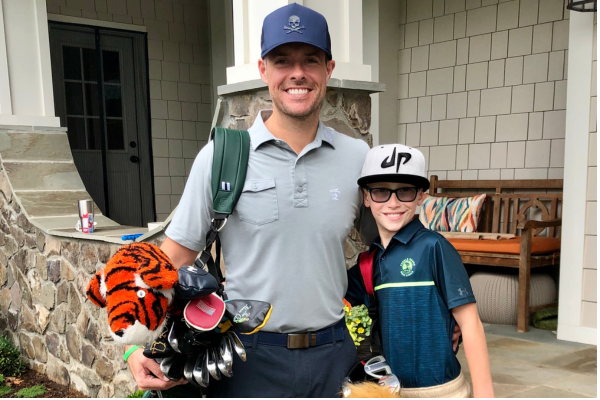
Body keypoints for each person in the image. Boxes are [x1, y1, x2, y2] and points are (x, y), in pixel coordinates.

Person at [125, 3, 460, 397]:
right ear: (263, 69)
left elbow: (393, 242)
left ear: (328, 69)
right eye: (282, 60)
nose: (297, 73)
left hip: (334, 357)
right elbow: (172, 258)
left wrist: (438, 307)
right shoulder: (222, 157)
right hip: (245, 358)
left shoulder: (357, 158)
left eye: (310, 60)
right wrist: (133, 343)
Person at [345, 144, 494, 398]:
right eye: (381, 191)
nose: (393, 203)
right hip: (391, 392)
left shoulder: (435, 247)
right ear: (366, 197)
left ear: (421, 196)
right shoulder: (368, 262)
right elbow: (334, 300)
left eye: (405, 191)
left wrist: (484, 395)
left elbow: (469, 323)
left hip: (443, 391)